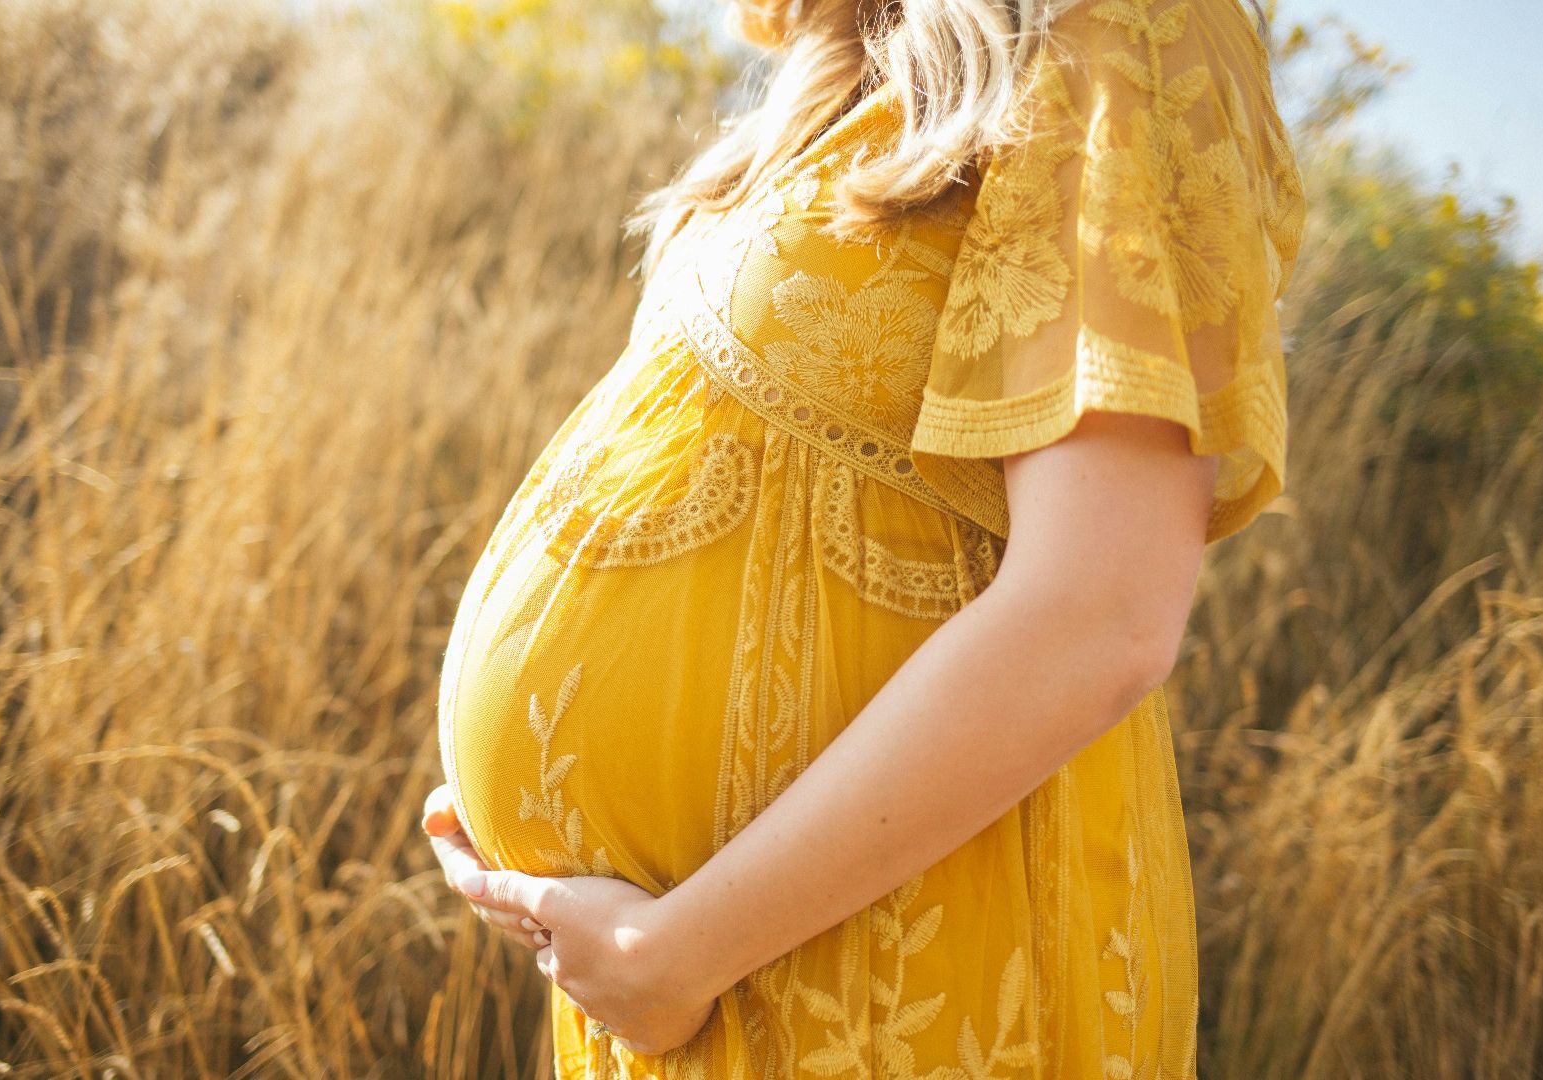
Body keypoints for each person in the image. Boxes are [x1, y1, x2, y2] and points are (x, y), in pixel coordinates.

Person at [424, 0, 1306, 1074]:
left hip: (886, 967)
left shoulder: (1128, 26)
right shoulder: (848, 67)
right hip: (708, 974)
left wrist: (678, 951)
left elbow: (1101, 612)